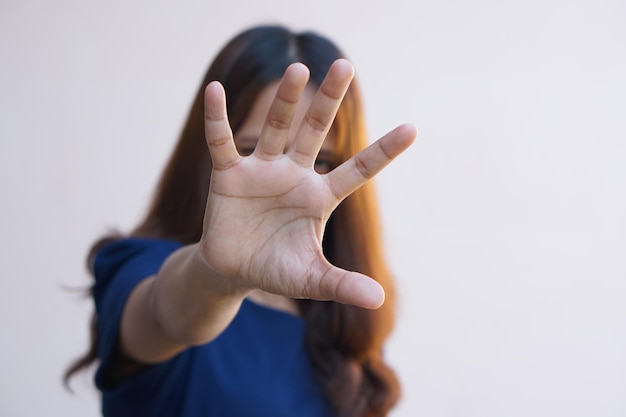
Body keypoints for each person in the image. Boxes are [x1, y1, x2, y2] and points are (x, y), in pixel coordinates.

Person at [65, 24, 417, 417]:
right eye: (253, 152)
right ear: (204, 153)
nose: (291, 186)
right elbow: (166, 314)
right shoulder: (139, 267)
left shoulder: (337, 309)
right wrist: (216, 277)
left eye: (321, 161)